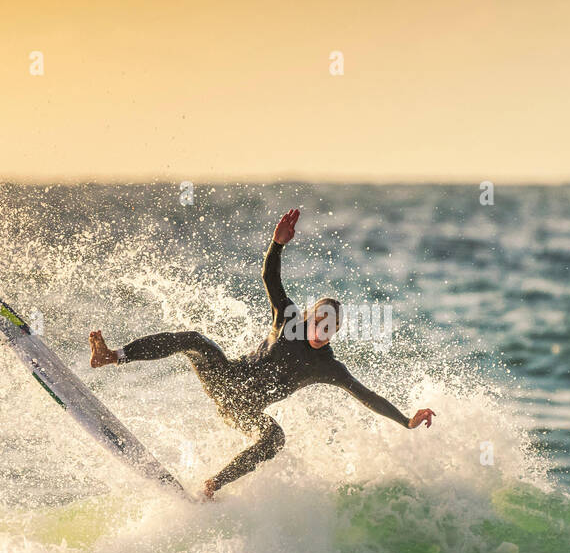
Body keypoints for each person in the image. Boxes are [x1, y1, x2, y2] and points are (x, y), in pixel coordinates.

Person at [88, 209, 436, 499]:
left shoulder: (328, 366)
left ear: (336, 332)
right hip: (224, 378)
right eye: (319, 323)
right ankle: (113, 355)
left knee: (275, 439)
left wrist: (406, 420)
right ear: (309, 318)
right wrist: (277, 244)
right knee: (195, 340)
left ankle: (212, 486)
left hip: (242, 411)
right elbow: (269, 276)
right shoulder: (287, 319)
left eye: (330, 329)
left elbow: (366, 396)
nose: (322, 332)